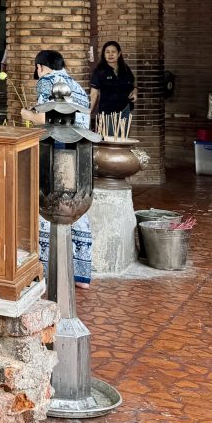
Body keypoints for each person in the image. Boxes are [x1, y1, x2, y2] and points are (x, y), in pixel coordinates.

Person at [20, 50, 93, 288]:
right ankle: (81, 274)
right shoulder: (77, 86)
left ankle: (46, 270)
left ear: (40, 67)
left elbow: (46, 119)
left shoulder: (47, 82)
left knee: (48, 207)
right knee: (76, 209)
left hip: (56, 152)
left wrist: (27, 114)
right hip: (80, 153)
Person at [89, 40, 136, 124]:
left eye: (113, 52)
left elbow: (132, 84)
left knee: (123, 132)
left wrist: (135, 91)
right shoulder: (99, 71)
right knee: (108, 133)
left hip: (125, 110)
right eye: (107, 52)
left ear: (119, 54)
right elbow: (94, 94)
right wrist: (88, 112)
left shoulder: (125, 68)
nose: (110, 54)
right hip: (108, 113)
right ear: (104, 54)